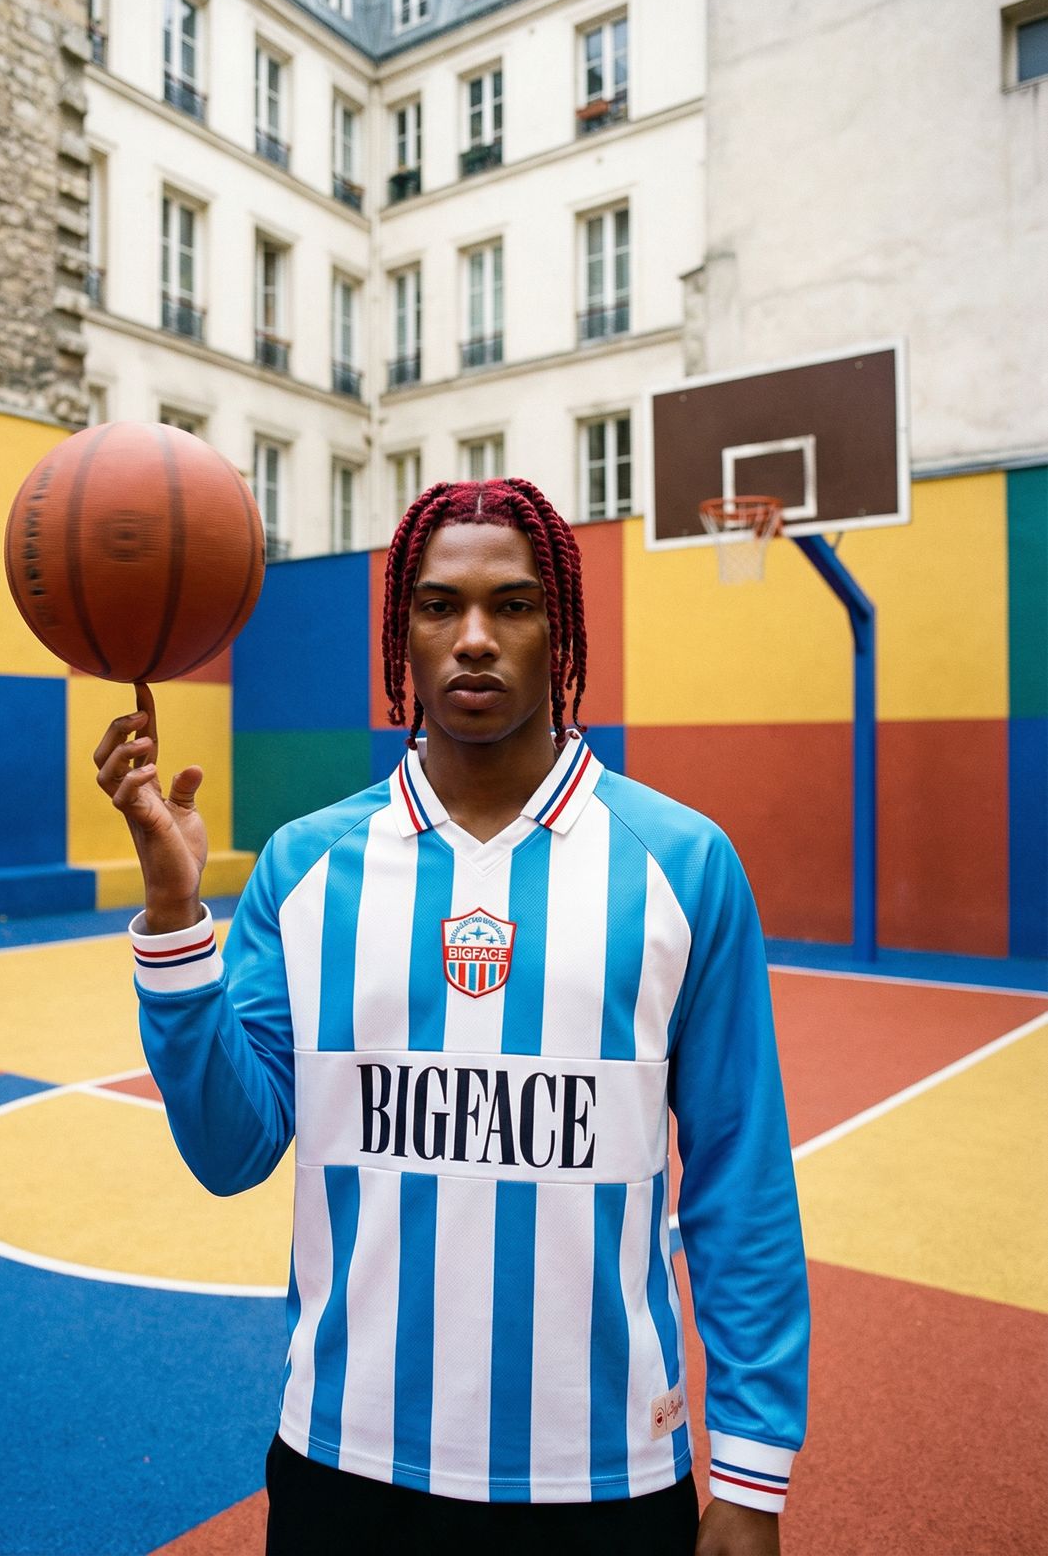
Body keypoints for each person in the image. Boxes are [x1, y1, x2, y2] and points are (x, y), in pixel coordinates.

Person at [94, 478, 809, 1556]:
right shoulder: (305, 865)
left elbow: (737, 1176)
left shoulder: (679, 862)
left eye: (512, 605)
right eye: (437, 606)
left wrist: (750, 1477)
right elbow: (231, 1149)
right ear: (401, 631)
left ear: (558, 626)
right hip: (348, 1459)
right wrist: (174, 913)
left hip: (602, 1469)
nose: (473, 637)